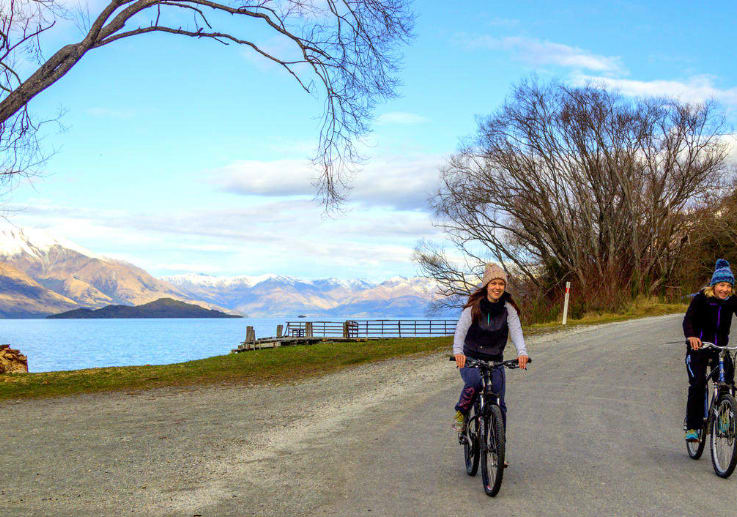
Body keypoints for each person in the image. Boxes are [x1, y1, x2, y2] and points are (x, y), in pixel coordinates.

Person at [452, 263, 530, 436]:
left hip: (495, 359)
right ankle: (461, 412)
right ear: (486, 286)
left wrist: (522, 353)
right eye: (493, 283)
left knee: (500, 405)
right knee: (474, 383)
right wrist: (458, 352)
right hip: (471, 358)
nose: (497, 287)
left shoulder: (508, 309)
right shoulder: (474, 308)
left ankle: (499, 450)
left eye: (501, 284)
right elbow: (460, 331)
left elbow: (516, 332)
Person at [683, 258, 737, 441]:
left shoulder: (732, 301)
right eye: (722, 285)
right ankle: (693, 426)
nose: (725, 289)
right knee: (698, 384)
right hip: (698, 348)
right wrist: (692, 337)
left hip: (720, 349)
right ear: (714, 285)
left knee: (727, 384)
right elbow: (688, 320)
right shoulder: (701, 299)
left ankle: (723, 418)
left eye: (729, 286)